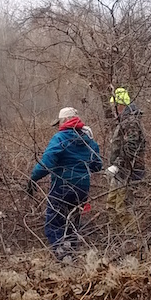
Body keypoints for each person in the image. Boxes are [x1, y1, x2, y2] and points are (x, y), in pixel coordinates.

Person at [27, 106, 102, 259]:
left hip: (62, 185)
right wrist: (81, 166)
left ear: (65, 121)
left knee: (54, 223)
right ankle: (72, 253)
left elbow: (47, 162)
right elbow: (97, 164)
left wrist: (33, 178)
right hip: (82, 188)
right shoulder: (87, 140)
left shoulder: (60, 138)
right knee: (73, 221)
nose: (58, 127)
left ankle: (63, 255)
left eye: (59, 123)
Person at [105, 87, 146, 232]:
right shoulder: (124, 121)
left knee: (123, 207)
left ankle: (133, 241)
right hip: (120, 172)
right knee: (111, 204)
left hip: (128, 171)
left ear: (119, 105)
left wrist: (117, 165)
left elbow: (131, 148)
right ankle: (115, 238)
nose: (112, 109)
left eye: (114, 106)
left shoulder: (131, 122)